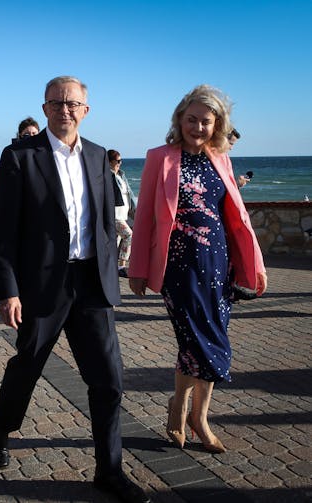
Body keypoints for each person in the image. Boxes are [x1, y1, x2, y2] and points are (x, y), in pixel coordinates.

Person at [0, 76, 149, 503]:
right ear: (45, 108)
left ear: (86, 110)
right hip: (42, 285)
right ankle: (2, 429)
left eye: (74, 103)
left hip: (92, 283)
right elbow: (2, 231)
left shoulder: (98, 157)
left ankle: (109, 471)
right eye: (57, 103)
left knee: (109, 380)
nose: (66, 110)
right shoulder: (19, 156)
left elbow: (103, 221)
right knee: (28, 365)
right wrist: (8, 289)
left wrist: (120, 271)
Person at [128, 85, 267, 455]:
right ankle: (184, 411)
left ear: (217, 124)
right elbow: (143, 219)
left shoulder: (220, 157)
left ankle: (195, 415)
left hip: (218, 265)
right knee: (196, 343)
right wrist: (137, 268)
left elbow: (236, 215)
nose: (198, 127)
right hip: (178, 267)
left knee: (214, 341)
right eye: (191, 119)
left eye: (206, 121)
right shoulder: (160, 157)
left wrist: (254, 265)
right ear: (179, 120)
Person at [108, 149, 136, 277]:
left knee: (115, 241)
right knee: (129, 235)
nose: (120, 163)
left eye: (121, 160)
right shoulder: (107, 176)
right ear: (109, 162)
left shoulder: (121, 175)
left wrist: (134, 212)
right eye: (117, 161)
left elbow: (128, 196)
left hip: (122, 214)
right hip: (114, 215)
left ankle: (110, 268)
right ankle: (121, 265)